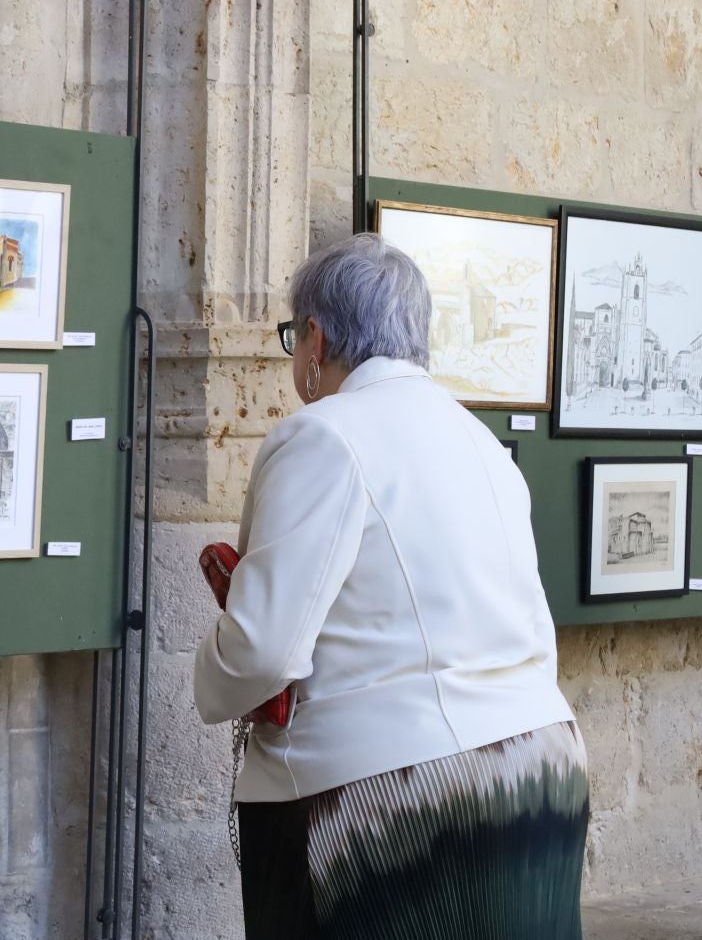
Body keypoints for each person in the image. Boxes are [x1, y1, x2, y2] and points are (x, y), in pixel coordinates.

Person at [193, 234, 586, 939]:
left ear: (314, 339)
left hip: (397, 790)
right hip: (538, 765)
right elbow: (531, 619)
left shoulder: (321, 436)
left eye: (293, 338)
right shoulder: (480, 443)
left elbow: (261, 650)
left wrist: (209, 678)